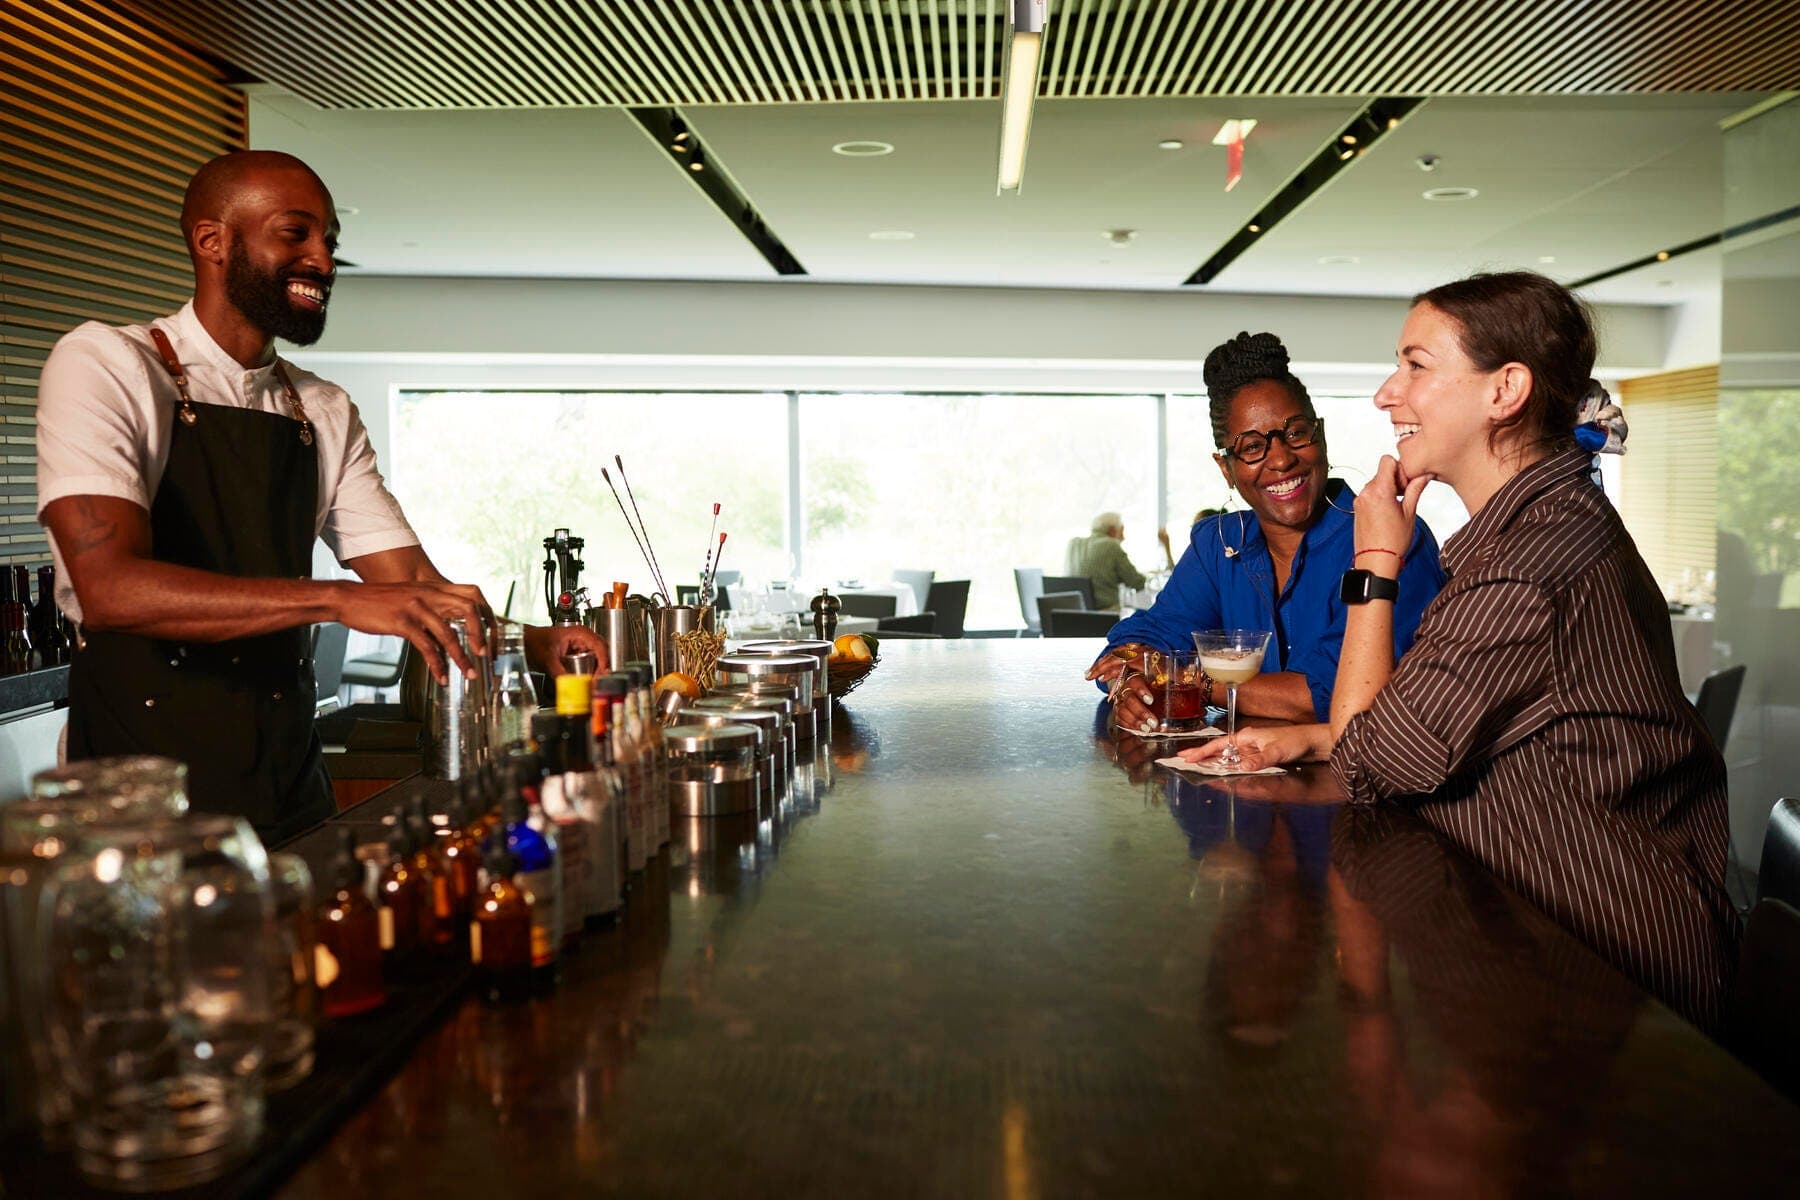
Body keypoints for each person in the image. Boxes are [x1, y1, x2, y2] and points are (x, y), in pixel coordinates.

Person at [1182, 272, 1737, 1031]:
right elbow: (1433, 732)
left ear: (1504, 390)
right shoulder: (1533, 530)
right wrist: (1308, 735)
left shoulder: (1523, 570)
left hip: (1612, 959)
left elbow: (1367, 762)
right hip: (1550, 926)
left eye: (1415, 365)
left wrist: (1374, 562)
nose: (1386, 393)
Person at [36, 150, 605, 842]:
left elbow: (415, 585)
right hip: (137, 811)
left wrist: (536, 643)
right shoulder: (107, 364)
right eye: (295, 233)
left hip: (289, 792)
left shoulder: (320, 409)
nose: (325, 262)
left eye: (329, 241)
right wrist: (336, 599)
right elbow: (111, 588)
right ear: (212, 241)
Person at [1089, 332, 1444, 731]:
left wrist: (1189, 680)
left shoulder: (1389, 539)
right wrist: (1134, 681)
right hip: (1242, 775)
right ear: (1226, 469)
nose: (1280, 459)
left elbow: (1329, 694)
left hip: (1365, 781)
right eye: (1252, 446)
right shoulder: (1218, 545)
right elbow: (1147, 636)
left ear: (1320, 436)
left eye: (1295, 433)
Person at [1067, 512, 1149, 610]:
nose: (1123, 537)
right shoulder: (1111, 545)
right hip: (1105, 612)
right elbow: (1137, 582)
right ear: (1112, 530)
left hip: (1076, 611)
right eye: (1122, 530)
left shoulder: (1074, 544)